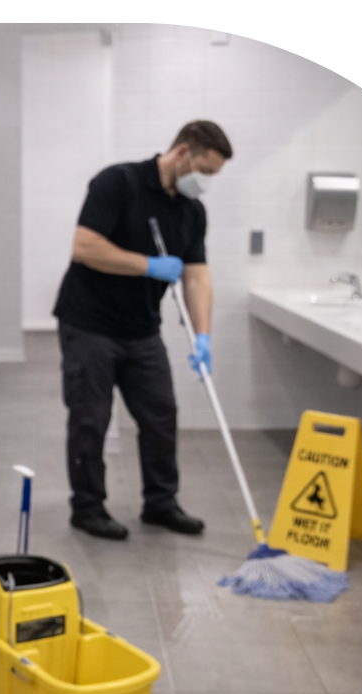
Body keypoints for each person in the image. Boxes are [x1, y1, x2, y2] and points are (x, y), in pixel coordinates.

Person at [53, 120, 232, 541]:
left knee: (161, 415)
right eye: (205, 171)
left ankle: (161, 502)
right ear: (183, 152)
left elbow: (197, 277)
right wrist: (147, 264)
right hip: (89, 323)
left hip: (142, 329)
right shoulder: (119, 182)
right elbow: (85, 247)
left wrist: (203, 336)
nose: (205, 183)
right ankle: (88, 507)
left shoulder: (191, 210)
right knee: (90, 419)